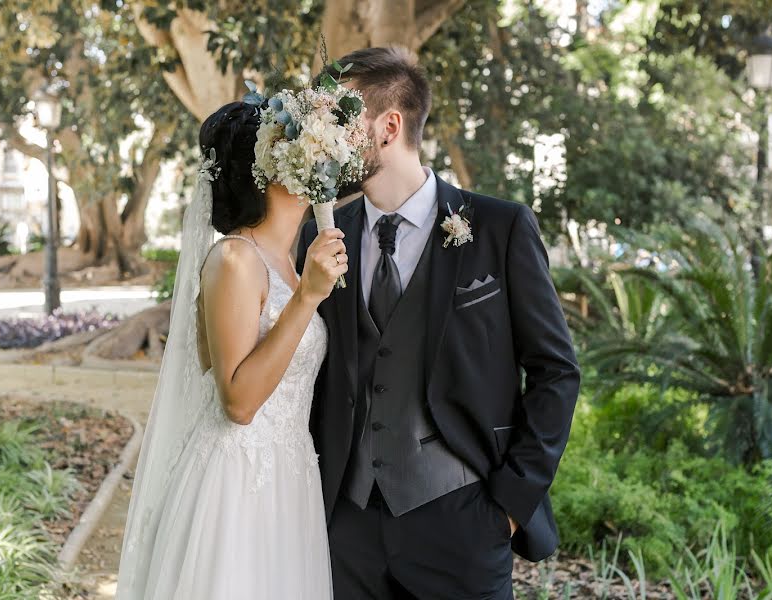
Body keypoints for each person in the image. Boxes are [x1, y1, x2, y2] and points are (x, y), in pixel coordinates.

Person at [297, 47, 581, 600]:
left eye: (337, 121)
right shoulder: (321, 237)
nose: (321, 140)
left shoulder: (500, 228)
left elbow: (556, 371)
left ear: (389, 126)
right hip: (347, 526)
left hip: (465, 521)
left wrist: (509, 505)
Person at [115, 101, 348, 599]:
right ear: (268, 169)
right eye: (305, 147)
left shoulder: (285, 261)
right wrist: (308, 298)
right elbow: (238, 403)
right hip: (237, 483)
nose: (320, 158)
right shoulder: (236, 258)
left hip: (289, 474)